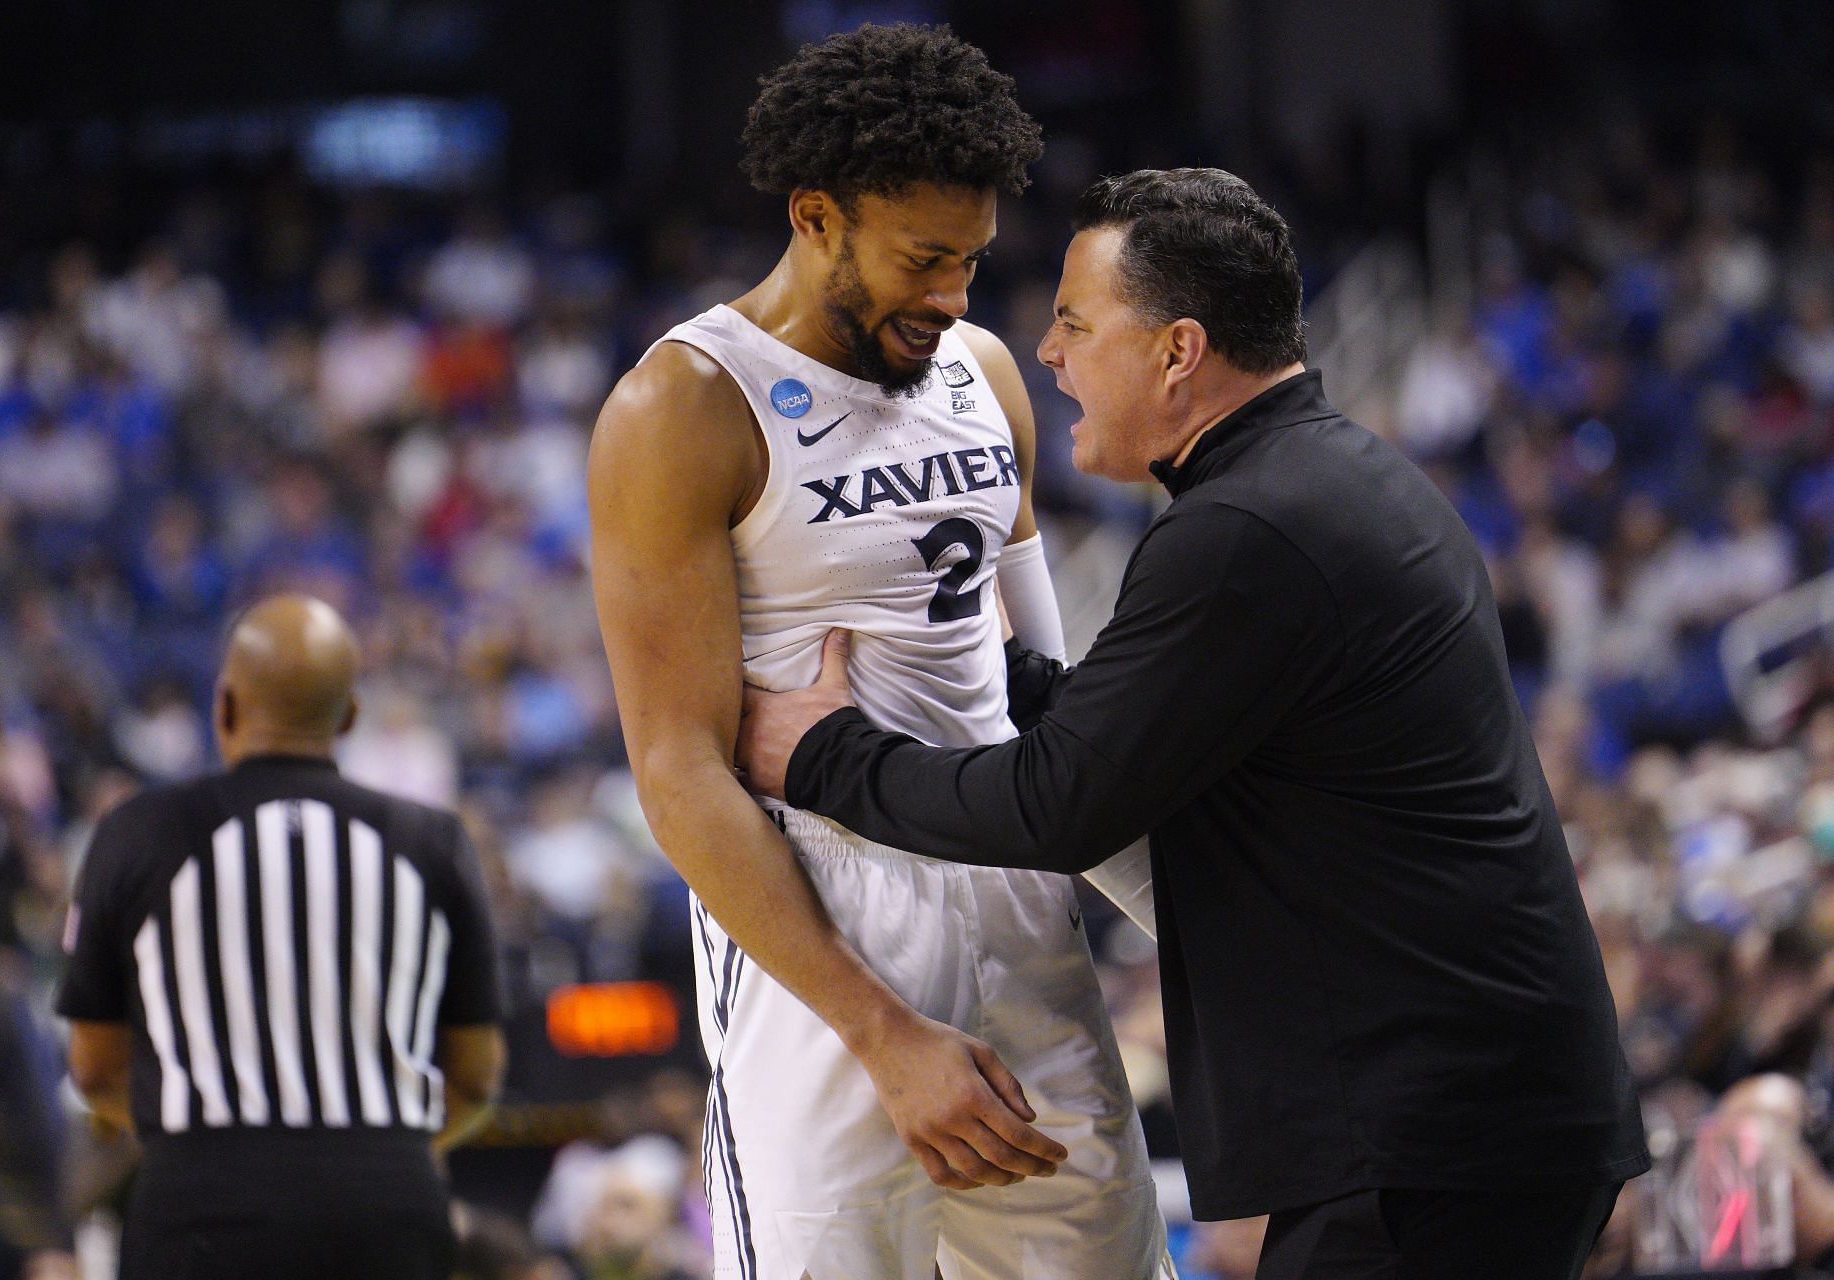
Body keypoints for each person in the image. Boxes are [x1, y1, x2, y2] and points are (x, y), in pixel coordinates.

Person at [737, 168, 1651, 1279]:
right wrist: (972, 664)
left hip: (1432, 1142)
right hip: (1484, 1118)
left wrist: (826, 752)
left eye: (1075, 322)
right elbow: (1132, 727)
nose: (1051, 354)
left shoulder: (1245, 530)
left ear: (1177, 350)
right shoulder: (1331, 478)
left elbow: (1061, 803)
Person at [587, 23, 1172, 1280]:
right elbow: (679, 767)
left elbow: (1043, 695)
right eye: (922, 260)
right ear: (816, 216)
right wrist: (883, 1031)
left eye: (969, 258)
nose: (953, 296)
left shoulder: (986, 372)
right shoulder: (684, 405)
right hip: (824, 963)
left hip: (1022, 929)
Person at [56, 594, 506, 1280]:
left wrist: (195, 1140)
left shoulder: (135, 835)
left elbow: (92, 1067)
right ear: (349, 716)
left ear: (224, 706)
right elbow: (475, 1077)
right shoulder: (434, 844)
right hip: (387, 1206)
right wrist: (384, 1148)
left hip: (200, 1210)